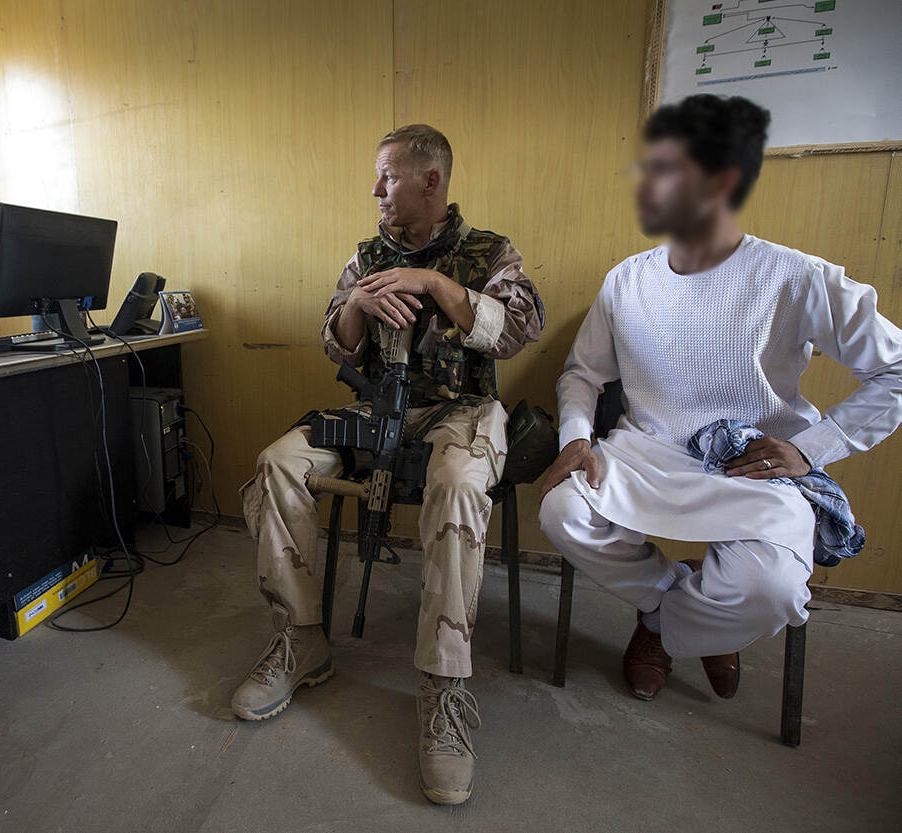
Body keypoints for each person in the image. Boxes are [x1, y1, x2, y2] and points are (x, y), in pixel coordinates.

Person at [538, 95, 902, 704]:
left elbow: (896, 368)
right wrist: (576, 437)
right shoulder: (627, 279)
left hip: (748, 465)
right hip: (646, 454)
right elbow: (583, 373)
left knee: (772, 589)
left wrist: (811, 449)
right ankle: (679, 616)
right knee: (563, 512)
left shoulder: (795, 276)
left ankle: (666, 627)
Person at [235, 124, 544, 805]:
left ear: (431, 181)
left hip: (461, 411)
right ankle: (301, 638)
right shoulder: (367, 256)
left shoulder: (490, 252)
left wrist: (433, 282)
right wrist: (356, 303)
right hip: (379, 409)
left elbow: (517, 330)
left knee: (458, 482)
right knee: (278, 462)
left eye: (390, 176)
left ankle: (443, 685)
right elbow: (337, 345)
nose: (376, 189)